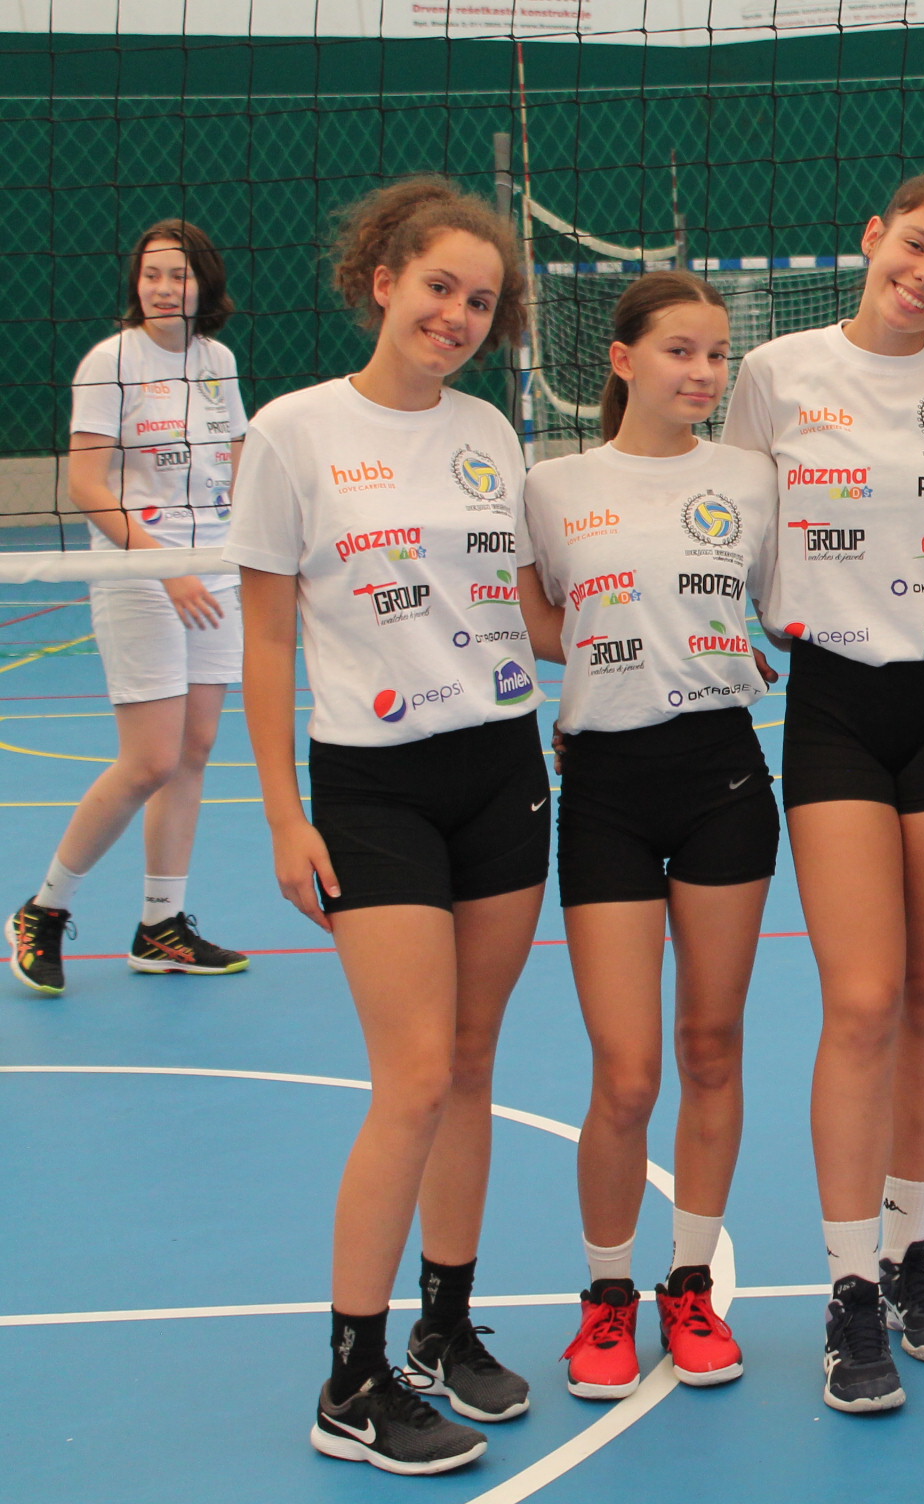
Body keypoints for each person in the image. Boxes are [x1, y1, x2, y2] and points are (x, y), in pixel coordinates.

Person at [227, 177, 543, 1474]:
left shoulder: (491, 432)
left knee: (470, 1064)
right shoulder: (292, 432)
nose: (457, 314)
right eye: (438, 287)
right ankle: (350, 1381)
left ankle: (444, 1329)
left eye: (480, 300)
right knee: (411, 1075)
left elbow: (520, 605)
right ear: (382, 281)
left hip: (504, 769)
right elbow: (264, 637)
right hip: (372, 785)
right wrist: (283, 816)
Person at [720, 169, 924, 1413]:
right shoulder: (776, 372)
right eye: (916, 247)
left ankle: (909, 1250)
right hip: (834, 702)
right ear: (871, 234)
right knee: (861, 998)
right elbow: (727, 518)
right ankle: (848, 1287)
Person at [520, 271, 780, 1400]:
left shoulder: (751, 479)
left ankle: (691, 1286)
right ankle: (607, 1296)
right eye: (681, 350)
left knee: (711, 1047)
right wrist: (608, 652)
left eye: (718, 354)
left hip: (723, 775)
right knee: (626, 1074)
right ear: (621, 360)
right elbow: (537, 613)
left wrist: (724, 644)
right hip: (608, 788)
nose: (704, 373)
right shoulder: (551, 486)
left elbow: (783, 605)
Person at [8, 219, 250, 995]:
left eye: (178, 275)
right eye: (151, 274)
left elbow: (239, 463)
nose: (162, 288)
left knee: (196, 749)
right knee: (149, 759)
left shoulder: (217, 362)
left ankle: (160, 926)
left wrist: (257, 550)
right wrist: (163, 565)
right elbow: (86, 485)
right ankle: (44, 909)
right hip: (139, 573)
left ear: (203, 285)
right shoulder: (109, 362)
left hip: (214, 571)